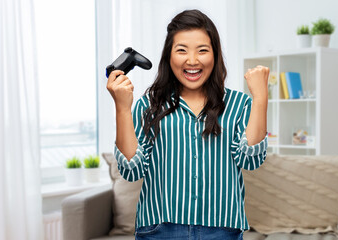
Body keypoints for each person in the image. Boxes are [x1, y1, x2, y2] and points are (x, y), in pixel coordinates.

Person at [106, 9, 269, 240]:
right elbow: (131, 171)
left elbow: (250, 160)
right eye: (181, 50)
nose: (192, 61)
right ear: (169, 56)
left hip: (222, 230)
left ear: (215, 55)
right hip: (159, 229)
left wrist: (261, 98)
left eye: (202, 50)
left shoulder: (239, 104)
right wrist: (122, 108)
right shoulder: (148, 105)